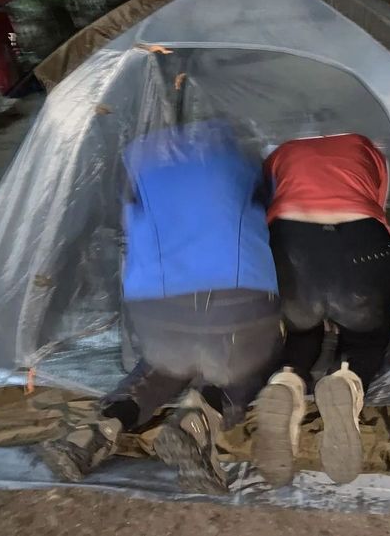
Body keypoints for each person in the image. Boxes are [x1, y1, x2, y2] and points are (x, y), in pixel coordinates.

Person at [38, 121, 283, 492]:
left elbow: (121, 216)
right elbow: (273, 206)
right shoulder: (239, 157)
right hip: (237, 291)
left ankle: (97, 431)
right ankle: (199, 419)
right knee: (254, 353)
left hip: (154, 304)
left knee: (166, 364)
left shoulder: (139, 158)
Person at [252, 133, 390, 488]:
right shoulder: (366, 147)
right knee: (367, 337)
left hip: (291, 244)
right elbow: (379, 202)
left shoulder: (282, 153)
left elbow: (264, 201)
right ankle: (346, 381)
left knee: (302, 330)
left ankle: (287, 383)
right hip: (361, 244)